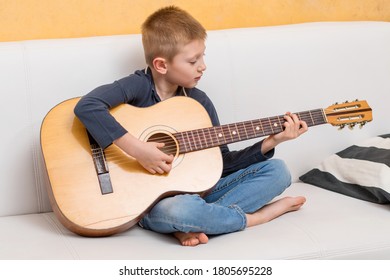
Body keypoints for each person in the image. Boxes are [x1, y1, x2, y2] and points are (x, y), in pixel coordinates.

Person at [74, 5, 308, 246]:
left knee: (278, 171)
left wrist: (271, 141)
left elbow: (222, 163)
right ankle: (254, 219)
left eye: (203, 56)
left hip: (198, 194)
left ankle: (190, 224)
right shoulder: (138, 86)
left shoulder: (199, 102)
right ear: (162, 65)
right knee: (178, 210)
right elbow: (87, 106)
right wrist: (137, 150)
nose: (202, 66)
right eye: (193, 60)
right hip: (150, 203)